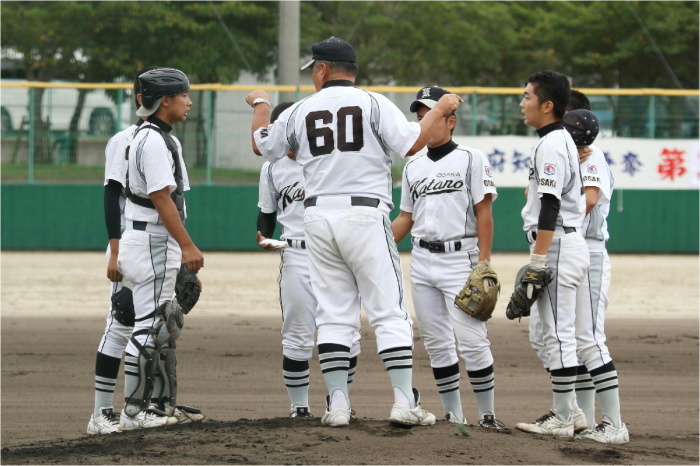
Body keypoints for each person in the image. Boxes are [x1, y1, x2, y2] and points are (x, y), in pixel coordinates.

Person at [246, 36, 462, 428]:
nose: (313, 74)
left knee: (334, 313)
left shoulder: (299, 110)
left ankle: (338, 406)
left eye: (313, 68)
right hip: (364, 215)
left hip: (317, 220)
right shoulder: (373, 102)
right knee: (389, 311)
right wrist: (443, 107)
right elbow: (413, 143)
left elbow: (262, 145)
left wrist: (262, 105)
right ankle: (401, 401)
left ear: (324, 69)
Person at [391, 86, 504, 429]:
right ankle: (454, 415)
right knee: (437, 343)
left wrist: (484, 262)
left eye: (432, 115)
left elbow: (484, 212)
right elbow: (406, 218)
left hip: (461, 259)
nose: (423, 121)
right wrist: (378, 248)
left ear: (450, 120)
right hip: (423, 261)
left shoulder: (471, 158)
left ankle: (487, 416)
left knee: (472, 341)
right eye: (421, 117)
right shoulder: (413, 167)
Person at [255, 102, 362, 418]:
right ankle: (299, 407)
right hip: (297, 254)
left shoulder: (329, 161)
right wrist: (263, 236)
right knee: (297, 332)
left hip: (334, 253)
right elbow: (266, 213)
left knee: (346, 331)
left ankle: (338, 401)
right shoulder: (272, 168)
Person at [117, 67, 204, 430]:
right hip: (152, 238)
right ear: (164, 100)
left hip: (154, 238)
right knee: (150, 326)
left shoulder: (158, 136)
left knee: (164, 324)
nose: (189, 101)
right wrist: (187, 245)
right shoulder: (152, 140)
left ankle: (157, 406)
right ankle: (133, 412)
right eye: (183, 95)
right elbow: (160, 197)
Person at [511, 71, 590, 437]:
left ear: (547, 105)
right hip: (561, 243)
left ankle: (561, 416)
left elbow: (550, 205)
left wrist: (539, 260)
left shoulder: (553, 145)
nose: (522, 102)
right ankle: (571, 411)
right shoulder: (556, 141)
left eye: (527, 96)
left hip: (557, 243)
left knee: (557, 335)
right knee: (547, 333)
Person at [87, 66, 159, 435]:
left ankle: (143, 407)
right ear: (140, 99)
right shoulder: (124, 139)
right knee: (120, 323)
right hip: (129, 240)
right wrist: (115, 252)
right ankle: (101, 413)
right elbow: (110, 194)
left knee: (155, 327)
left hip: (156, 246)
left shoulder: (164, 141)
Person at [564, 91, 629, 444]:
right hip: (569, 249)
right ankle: (586, 420)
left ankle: (614, 424)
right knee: (574, 341)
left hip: (588, 250)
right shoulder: (565, 155)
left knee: (589, 338)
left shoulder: (594, 156)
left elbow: (588, 202)